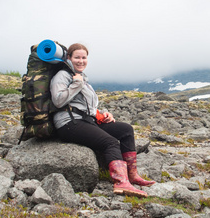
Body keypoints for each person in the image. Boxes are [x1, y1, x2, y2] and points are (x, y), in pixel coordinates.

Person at [50, 43, 155, 198]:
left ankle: (132, 175)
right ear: (69, 58)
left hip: (86, 120)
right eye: (77, 57)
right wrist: (76, 84)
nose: (81, 61)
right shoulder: (62, 76)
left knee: (126, 130)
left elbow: (86, 105)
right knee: (111, 142)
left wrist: (103, 114)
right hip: (68, 123)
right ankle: (121, 182)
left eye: (84, 57)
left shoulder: (82, 78)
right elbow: (58, 101)